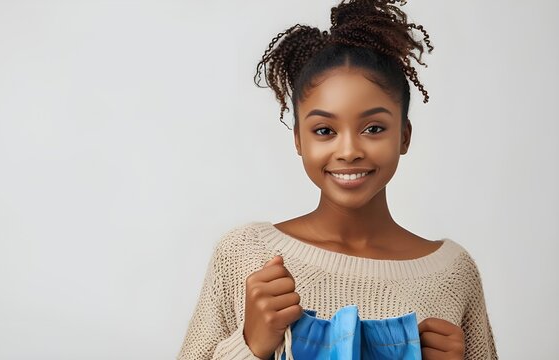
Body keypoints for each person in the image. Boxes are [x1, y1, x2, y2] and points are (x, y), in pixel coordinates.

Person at [177, 0, 498, 359]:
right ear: (299, 139)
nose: (349, 151)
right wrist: (250, 345)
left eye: (373, 128)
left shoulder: (452, 273)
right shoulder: (245, 255)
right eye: (325, 130)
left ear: (404, 136)